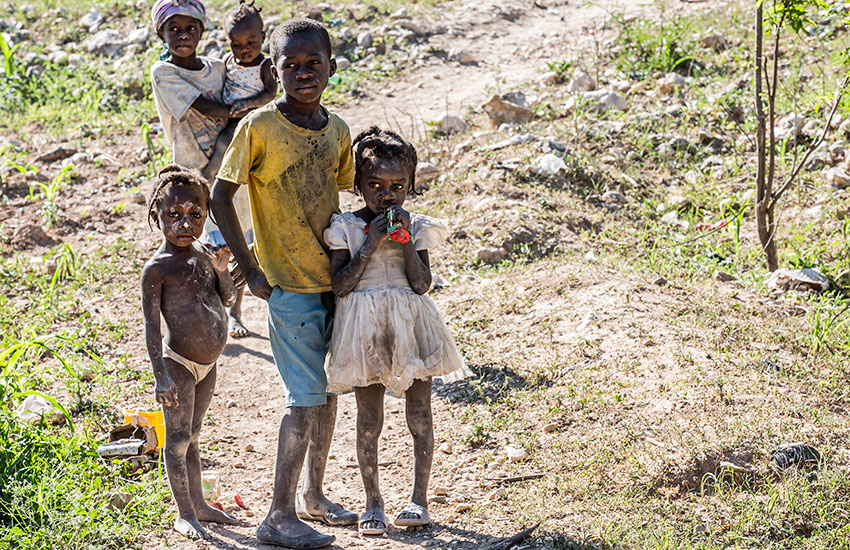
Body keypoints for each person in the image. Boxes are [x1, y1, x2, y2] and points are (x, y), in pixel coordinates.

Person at [210, 18, 357, 549]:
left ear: (331, 68)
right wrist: (249, 269)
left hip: (333, 282)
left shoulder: (337, 130)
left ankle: (314, 497)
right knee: (302, 400)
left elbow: (339, 204)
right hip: (287, 286)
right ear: (274, 71)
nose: (302, 73)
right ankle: (277, 515)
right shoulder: (259, 128)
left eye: (313, 63)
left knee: (328, 392)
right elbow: (220, 197)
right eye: (290, 66)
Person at [323, 127, 470, 536]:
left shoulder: (416, 226)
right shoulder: (347, 228)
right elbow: (340, 285)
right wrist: (370, 243)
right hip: (363, 330)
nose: (386, 195)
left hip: (410, 324)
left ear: (410, 186)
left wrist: (405, 241)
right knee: (369, 418)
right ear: (358, 185)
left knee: (419, 414)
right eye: (375, 185)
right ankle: (373, 502)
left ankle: (418, 499)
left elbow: (422, 283)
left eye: (397, 186)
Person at [141, 165, 238, 540]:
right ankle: (184, 512)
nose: (185, 223)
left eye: (194, 215)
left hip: (207, 365)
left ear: (206, 214)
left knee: (194, 435)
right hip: (178, 364)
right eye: (174, 215)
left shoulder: (201, 252)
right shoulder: (157, 269)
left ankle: (199, 505)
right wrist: (160, 375)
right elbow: (152, 326)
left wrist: (223, 270)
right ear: (157, 215)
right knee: (177, 439)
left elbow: (226, 298)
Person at [200, 0, 280, 338]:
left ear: (262, 37)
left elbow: (271, 93)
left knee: (244, 243)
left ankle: (235, 311)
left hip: (252, 130)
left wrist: (246, 105)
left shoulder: (265, 66)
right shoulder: (226, 64)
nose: (244, 50)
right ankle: (208, 180)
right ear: (226, 41)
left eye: (251, 43)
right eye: (237, 44)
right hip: (231, 130)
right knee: (221, 150)